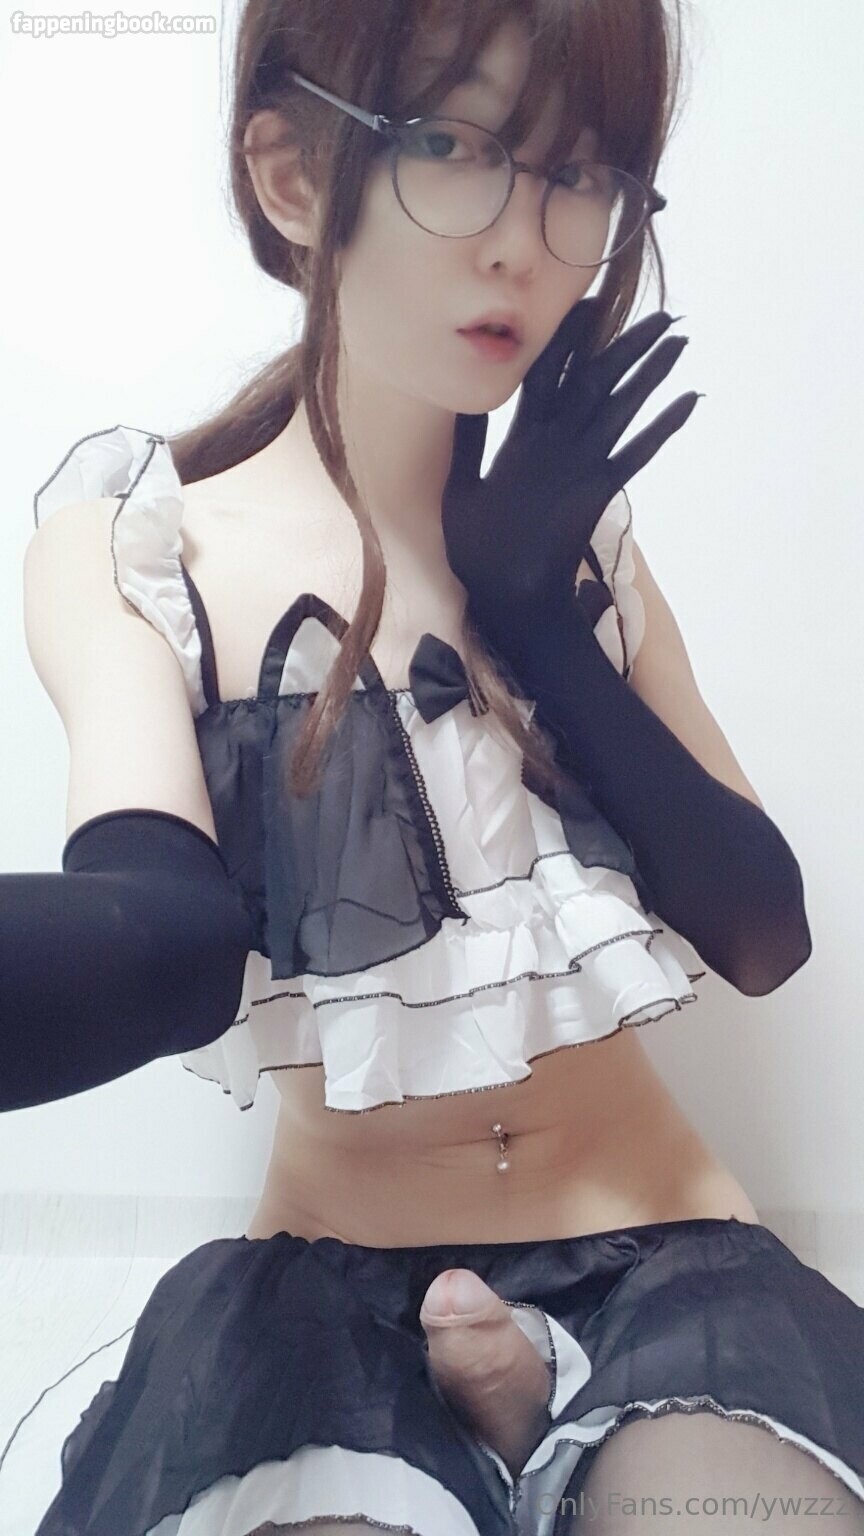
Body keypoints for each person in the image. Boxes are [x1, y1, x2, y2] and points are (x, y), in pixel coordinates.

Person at [3, 2, 863, 1532]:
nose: (524, 242)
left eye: (578, 173)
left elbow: (760, 932)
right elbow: (164, 934)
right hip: (330, 1291)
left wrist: (539, 615)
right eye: (458, 146)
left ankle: (550, 1412)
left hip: (666, 1251)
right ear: (290, 175)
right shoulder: (145, 546)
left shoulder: (583, 552)